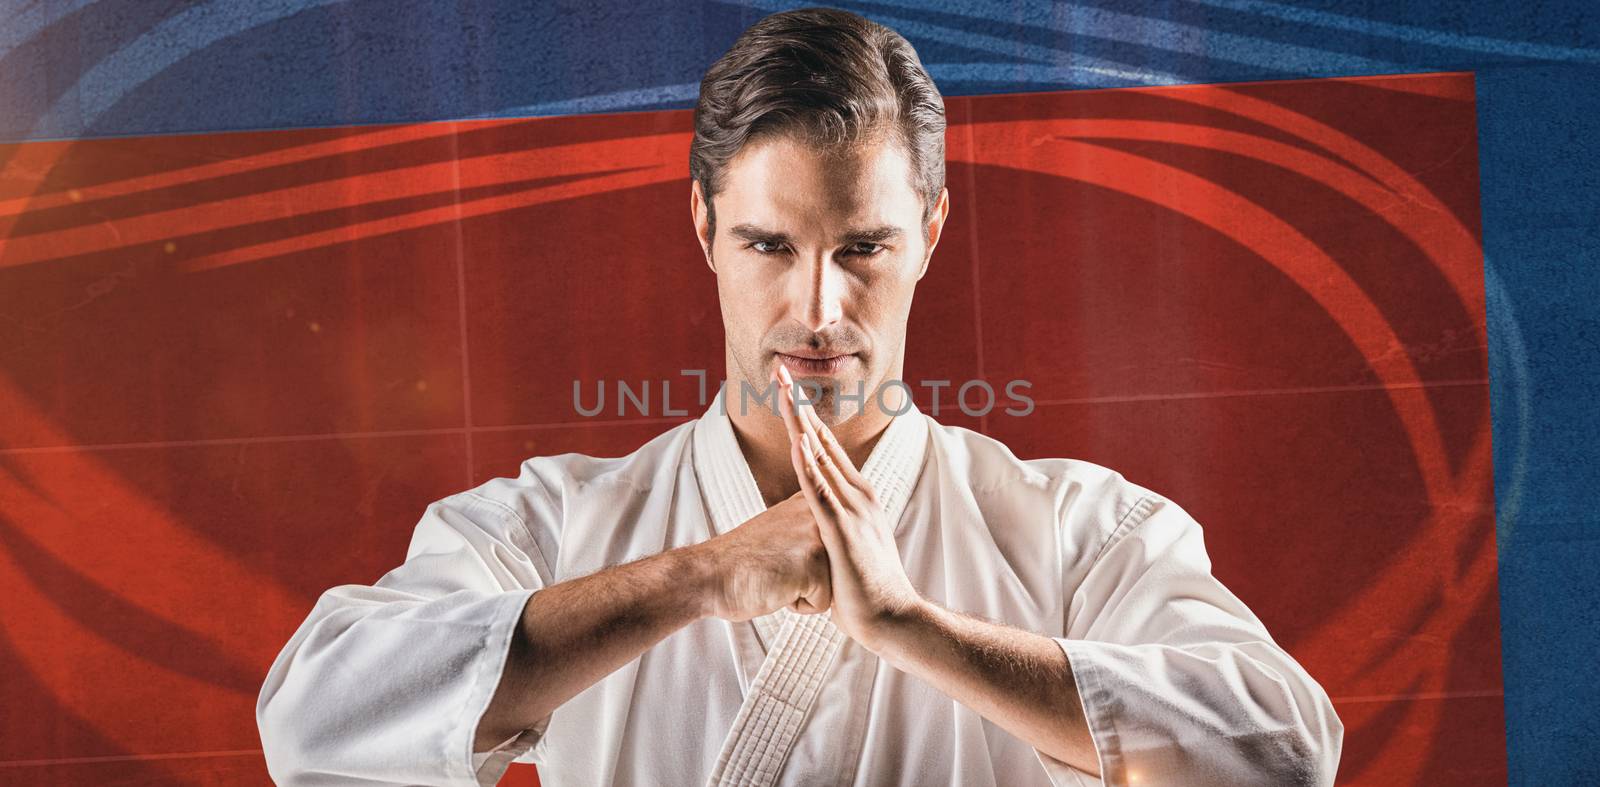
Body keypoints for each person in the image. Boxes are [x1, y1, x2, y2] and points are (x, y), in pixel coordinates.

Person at [256, 8, 1343, 786]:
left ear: (931, 231)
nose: (818, 307)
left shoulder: (1080, 531)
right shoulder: (558, 525)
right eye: (769, 244)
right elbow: (312, 717)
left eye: (862, 245)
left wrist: (916, 628)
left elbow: (1285, 750)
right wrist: (695, 575)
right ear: (702, 230)